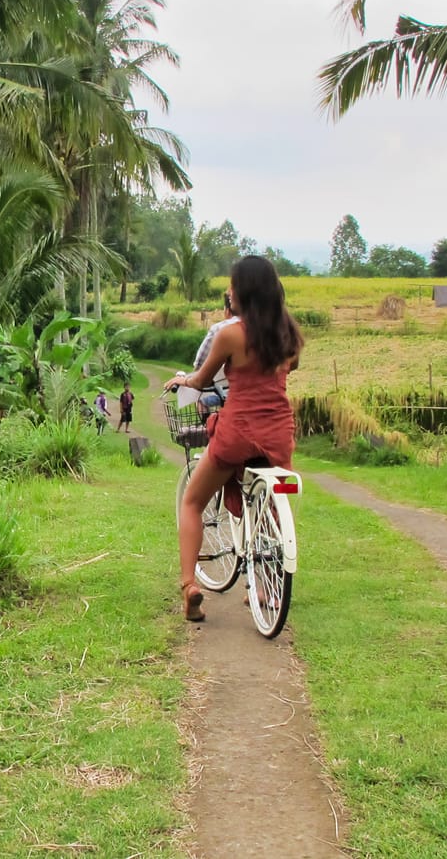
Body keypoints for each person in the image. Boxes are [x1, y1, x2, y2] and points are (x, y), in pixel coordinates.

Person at [164, 256, 302, 623]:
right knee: (270, 507)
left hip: (237, 431)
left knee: (193, 501)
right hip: (277, 432)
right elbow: (292, 365)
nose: (228, 291)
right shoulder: (289, 332)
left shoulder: (230, 334)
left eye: (232, 285)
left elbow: (202, 377)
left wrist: (184, 381)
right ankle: (262, 585)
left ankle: (190, 585)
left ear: (244, 292)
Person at [193, 294, 238, 409]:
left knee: (202, 401)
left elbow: (199, 364)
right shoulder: (274, 326)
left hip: (235, 392)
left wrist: (185, 381)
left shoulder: (220, 329)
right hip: (270, 402)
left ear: (227, 311)